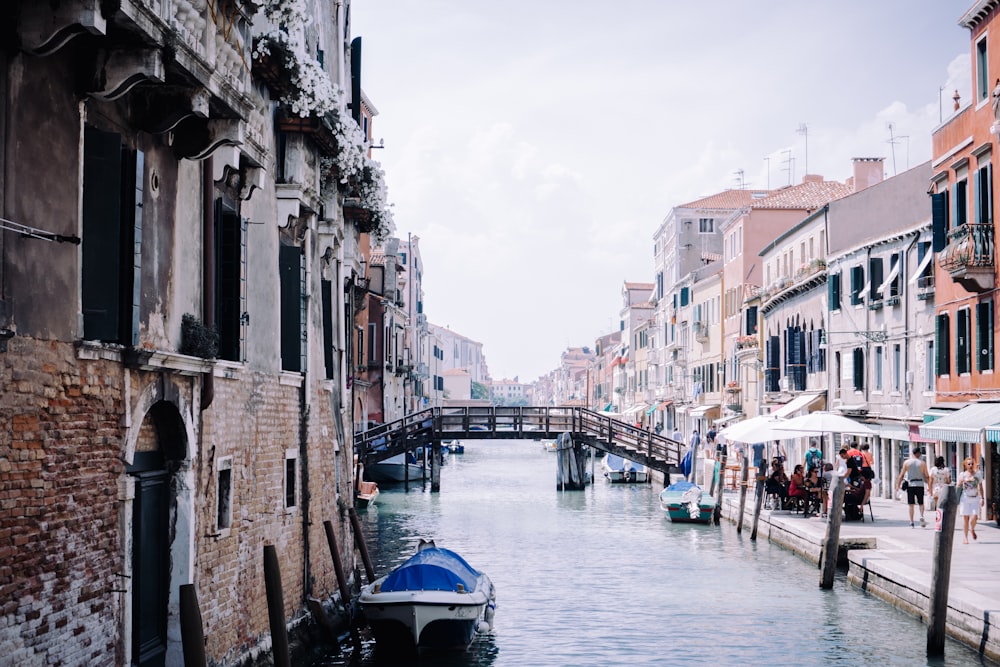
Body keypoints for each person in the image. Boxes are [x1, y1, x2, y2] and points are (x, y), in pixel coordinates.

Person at [895, 447, 930, 528]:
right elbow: (927, 476)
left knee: (911, 504)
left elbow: (901, 475)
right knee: (921, 503)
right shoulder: (922, 463)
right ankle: (921, 515)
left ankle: (911, 521)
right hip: (920, 484)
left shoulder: (906, 463)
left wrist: (898, 485)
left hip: (910, 485)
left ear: (912, 453)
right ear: (918, 453)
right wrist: (929, 487)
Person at [957, 457, 985, 544]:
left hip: (975, 498)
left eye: (972, 463)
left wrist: (982, 498)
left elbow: (980, 487)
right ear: (965, 465)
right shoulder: (963, 474)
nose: (970, 465)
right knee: (966, 518)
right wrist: (963, 481)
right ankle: (965, 538)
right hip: (965, 498)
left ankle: (972, 528)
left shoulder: (978, 474)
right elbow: (958, 485)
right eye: (969, 464)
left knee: (975, 517)